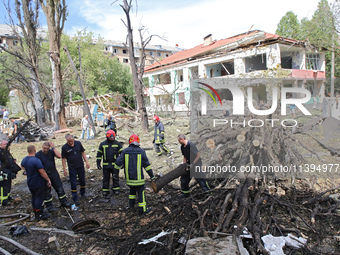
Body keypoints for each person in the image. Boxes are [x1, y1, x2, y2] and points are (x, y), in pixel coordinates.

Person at [114, 134, 155, 215]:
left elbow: (117, 163)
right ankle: (142, 210)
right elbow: (147, 166)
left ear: (130, 142)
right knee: (141, 193)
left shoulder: (125, 151)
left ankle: (131, 206)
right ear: (138, 142)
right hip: (139, 180)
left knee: (132, 191)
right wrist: (152, 176)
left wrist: (115, 174)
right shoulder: (141, 152)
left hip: (129, 179)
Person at [35, 141, 71, 211]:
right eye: (45, 148)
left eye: (47, 148)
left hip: (53, 173)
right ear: (42, 147)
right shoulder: (38, 155)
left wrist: (53, 148)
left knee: (59, 188)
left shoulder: (51, 152)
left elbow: (60, 156)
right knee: (47, 192)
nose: (46, 150)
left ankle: (64, 202)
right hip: (44, 175)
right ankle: (49, 207)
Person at [21, 145, 51, 220]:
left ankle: (35, 211)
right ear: (34, 150)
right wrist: (48, 179)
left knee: (34, 196)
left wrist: (26, 171)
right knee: (39, 197)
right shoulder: (36, 160)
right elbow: (42, 172)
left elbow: (22, 166)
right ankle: (39, 214)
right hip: (38, 182)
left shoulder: (25, 159)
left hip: (30, 182)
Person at [177, 134, 210, 198]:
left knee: (201, 180)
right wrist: (184, 165)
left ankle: (208, 193)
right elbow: (185, 157)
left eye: (179, 140)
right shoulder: (182, 147)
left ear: (182, 139)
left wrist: (193, 164)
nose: (179, 142)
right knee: (184, 180)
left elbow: (198, 155)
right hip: (189, 165)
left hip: (196, 164)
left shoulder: (191, 145)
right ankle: (185, 193)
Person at [61, 134, 90, 205]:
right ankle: (75, 197)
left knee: (82, 180)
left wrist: (86, 161)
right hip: (72, 167)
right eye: (69, 141)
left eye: (71, 141)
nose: (71, 143)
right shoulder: (64, 147)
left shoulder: (78, 143)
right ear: (66, 140)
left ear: (73, 139)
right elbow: (63, 158)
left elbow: (82, 152)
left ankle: (82, 193)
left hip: (80, 165)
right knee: (73, 182)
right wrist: (64, 169)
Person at [97, 130, 123, 198]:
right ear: (107, 136)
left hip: (115, 165)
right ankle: (105, 190)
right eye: (110, 137)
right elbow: (99, 154)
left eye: (112, 137)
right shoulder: (102, 144)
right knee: (106, 178)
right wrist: (98, 163)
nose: (111, 138)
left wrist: (122, 163)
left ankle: (116, 189)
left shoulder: (117, 144)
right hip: (106, 165)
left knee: (115, 177)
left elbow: (122, 154)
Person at [0, 140, 21, 206]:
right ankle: (4, 201)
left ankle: (8, 197)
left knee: (8, 185)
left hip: (9, 171)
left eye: (7, 144)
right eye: (5, 144)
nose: (7, 145)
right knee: (4, 187)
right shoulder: (0, 152)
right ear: (1, 144)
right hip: (3, 172)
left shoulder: (6, 151)